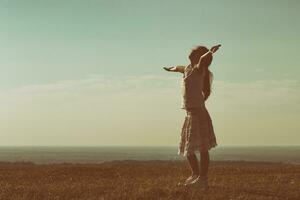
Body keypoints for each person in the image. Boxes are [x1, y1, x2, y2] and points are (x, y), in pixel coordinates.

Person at [163, 44, 220, 188]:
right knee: (187, 147)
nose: (190, 53)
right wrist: (170, 69)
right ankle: (195, 175)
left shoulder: (199, 69)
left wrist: (210, 52)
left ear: (198, 56)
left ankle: (203, 179)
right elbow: (178, 68)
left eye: (193, 52)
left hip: (198, 113)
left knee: (202, 148)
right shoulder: (188, 69)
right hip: (190, 113)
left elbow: (202, 59)